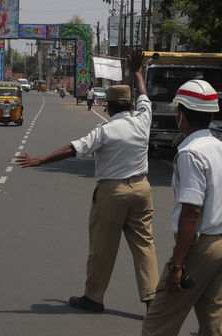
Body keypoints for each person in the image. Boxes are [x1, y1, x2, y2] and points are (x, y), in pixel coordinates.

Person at [16, 48, 159, 312]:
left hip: (112, 192)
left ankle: (93, 297)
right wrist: (138, 71)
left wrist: (40, 159)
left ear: (108, 106)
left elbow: (73, 148)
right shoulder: (142, 120)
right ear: (129, 106)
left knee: (102, 248)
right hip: (141, 188)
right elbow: (145, 97)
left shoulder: (105, 130)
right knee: (144, 245)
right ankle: (152, 299)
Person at [141, 80, 222, 336]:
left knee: (157, 325)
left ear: (181, 114)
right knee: (213, 324)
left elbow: (192, 212)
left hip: (201, 248)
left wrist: (177, 265)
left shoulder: (191, 153)